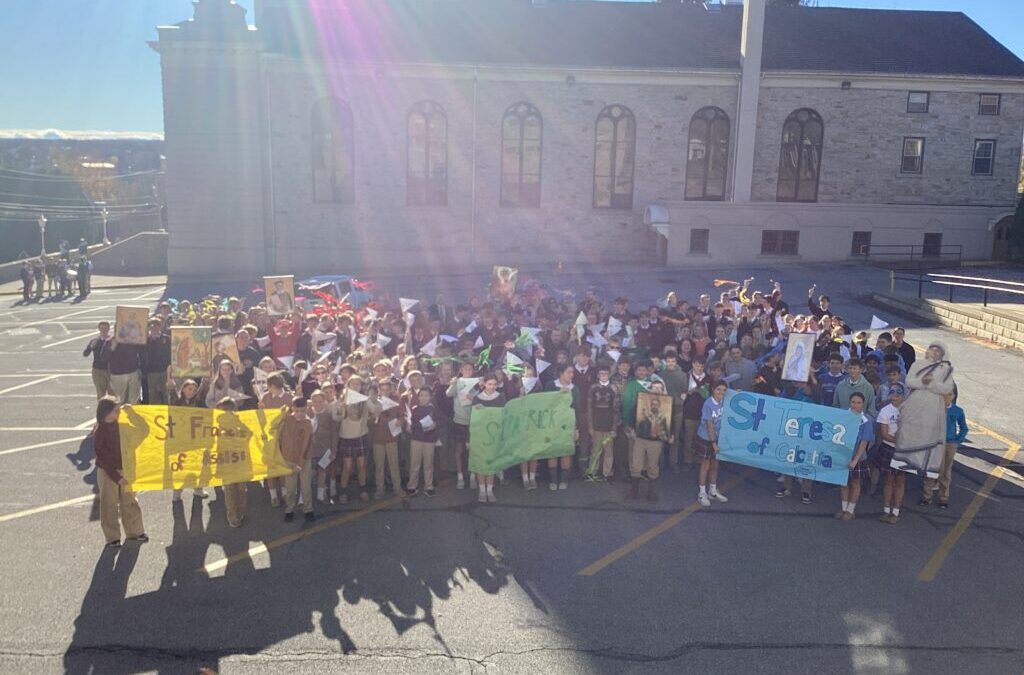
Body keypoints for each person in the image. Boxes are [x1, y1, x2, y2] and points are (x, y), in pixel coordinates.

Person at [893, 342, 955, 481]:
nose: (934, 352)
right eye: (932, 349)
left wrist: (932, 383)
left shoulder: (946, 369)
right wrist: (923, 382)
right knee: (909, 432)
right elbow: (909, 381)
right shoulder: (918, 364)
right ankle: (905, 461)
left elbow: (947, 388)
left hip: (934, 406)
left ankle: (926, 468)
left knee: (930, 436)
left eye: (937, 350)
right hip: (916, 403)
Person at [92, 397, 147, 548]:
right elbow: (103, 458)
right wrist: (117, 477)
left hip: (127, 468)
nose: (118, 412)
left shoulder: (123, 426)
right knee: (109, 504)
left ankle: (135, 532)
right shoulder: (99, 431)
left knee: (130, 501)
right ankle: (112, 537)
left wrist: (132, 414)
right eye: (115, 410)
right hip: (108, 472)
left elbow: (144, 430)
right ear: (106, 412)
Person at [920, 393, 968, 508]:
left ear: (952, 396)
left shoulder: (957, 411)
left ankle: (944, 497)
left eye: (948, 395)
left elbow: (963, 427)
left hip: (949, 443)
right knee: (931, 469)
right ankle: (927, 496)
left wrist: (957, 440)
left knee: (946, 470)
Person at [836, 392, 874, 521]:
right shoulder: (844, 416)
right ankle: (844, 507)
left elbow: (864, 442)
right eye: (853, 402)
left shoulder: (866, 421)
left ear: (863, 404)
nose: (855, 405)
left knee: (855, 483)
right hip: (843, 455)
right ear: (849, 402)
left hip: (858, 457)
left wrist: (855, 460)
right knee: (843, 482)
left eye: (858, 402)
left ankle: (851, 510)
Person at [628, 392, 669, 502]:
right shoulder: (642, 413)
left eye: (656, 404)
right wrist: (632, 429)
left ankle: (651, 492)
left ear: (659, 406)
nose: (654, 406)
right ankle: (634, 490)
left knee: (653, 466)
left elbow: (668, 427)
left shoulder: (663, 417)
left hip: (655, 442)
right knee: (636, 465)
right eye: (653, 404)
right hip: (640, 439)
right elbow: (633, 419)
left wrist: (667, 435)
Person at [280, 397, 315, 522]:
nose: (299, 414)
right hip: (288, 459)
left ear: (306, 409)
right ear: (292, 408)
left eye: (302, 411)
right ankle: (289, 509)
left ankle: (308, 509)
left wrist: (300, 464)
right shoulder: (286, 418)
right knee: (290, 487)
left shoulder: (307, 423)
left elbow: (306, 445)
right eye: (297, 411)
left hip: (304, 460)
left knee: (306, 486)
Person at [473, 374, 507, 502]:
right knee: (481, 462)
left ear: (497, 385)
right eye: (489, 384)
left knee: (492, 462)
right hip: (480, 434)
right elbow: (473, 418)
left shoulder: (501, 397)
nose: (491, 387)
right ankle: (482, 490)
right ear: (485, 384)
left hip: (495, 434)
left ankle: (489, 490)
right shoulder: (477, 398)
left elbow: (504, 415)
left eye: (494, 384)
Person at [695, 381, 729, 507]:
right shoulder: (708, 404)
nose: (721, 392)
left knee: (715, 465)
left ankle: (713, 490)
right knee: (705, 465)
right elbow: (709, 425)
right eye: (718, 389)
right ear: (713, 389)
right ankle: (702, 492)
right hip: (706, 438)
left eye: (724, 390)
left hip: (718, 438)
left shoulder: (724, 401)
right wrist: (713, 443)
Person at [877, 384, 906, 524]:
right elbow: (884, 434)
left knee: (900, 481)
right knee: (888, 481)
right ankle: (886, 510)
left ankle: (896, 512)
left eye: (898, 393)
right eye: (893, 392)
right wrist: (898, 441)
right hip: (889, 448)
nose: (895, 395)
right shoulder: (885, 411)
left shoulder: (910, 411)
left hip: (904, 450)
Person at [370, 379, 403, 499]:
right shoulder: (374, 403)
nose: (385, 392)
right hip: (377, 439)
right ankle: (380, 489)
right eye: (382, 390)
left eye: (387, 390)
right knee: (379, 466)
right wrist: (375, 416)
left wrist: (400, 420)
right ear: (378, 390)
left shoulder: (396, 402)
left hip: (392, 438)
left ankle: (397, 488)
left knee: (394, 465)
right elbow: (369, 421)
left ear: (391, 390)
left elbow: (401, 415)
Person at [588, 364, 620, 483]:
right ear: (597, 375)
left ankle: (607, 473)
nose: (603, 376)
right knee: (595, 450)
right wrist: (590, 426)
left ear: (609, 375)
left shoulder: (614, 389)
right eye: (601, 374)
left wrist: (614, 428)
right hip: (596, 425)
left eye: (606, 374)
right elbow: (589, 407)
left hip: (609, 425)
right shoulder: (593, 388)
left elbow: (616, 410)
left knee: (608, 451)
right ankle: (592, 471)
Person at [309, 389, 340, 504]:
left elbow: (334, 433)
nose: (318, 404)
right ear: (311, 401)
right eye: (315, 401)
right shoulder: (308, 413)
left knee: (323, 470)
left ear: (324, 401)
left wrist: (333, 450)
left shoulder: (328, 414)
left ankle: (321, 494)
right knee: (311, 472)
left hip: (325, 448)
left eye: (320, 401)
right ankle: (305, 496)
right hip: (311, 449)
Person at [407, 387, 439, 497]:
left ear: (430, 397)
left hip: (429, 440)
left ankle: (428, 486)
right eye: (421, 395)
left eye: (426, 395)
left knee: (428, 464)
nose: (423, 398)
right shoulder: (414, 409)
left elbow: (438, 421)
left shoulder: (433, 409)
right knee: (414, 463)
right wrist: (419, 426)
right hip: (416, 439)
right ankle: (412, 485)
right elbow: (412, 424)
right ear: (418, 397)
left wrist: (435, 425)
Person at [144, 318, 171, 404]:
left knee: (166, 393)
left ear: (160, 327)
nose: (154, 328)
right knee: (152, 393)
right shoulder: (146, 340)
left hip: (164, 370)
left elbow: (170, 353)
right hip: (152, 371)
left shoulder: (166, 339)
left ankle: (167, 410)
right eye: (152, 326)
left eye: (157, 325)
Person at [84, 322, 114, 399]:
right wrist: (90, 347)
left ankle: (112, 409)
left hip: (110, 369)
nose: (104, 330)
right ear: (99, 329)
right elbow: (85, 354)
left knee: (112, 393)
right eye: (102, 328)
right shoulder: (95, 341)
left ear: (109, 329)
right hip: (98, 370)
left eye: (105, 328)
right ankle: (102, 409)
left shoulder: (112, 340)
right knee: (100, 393)